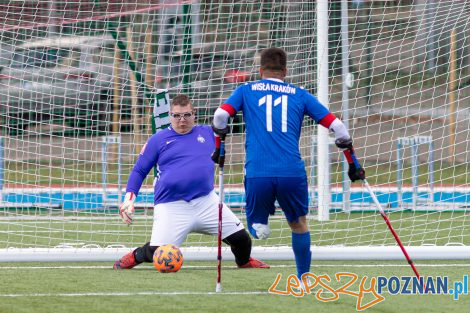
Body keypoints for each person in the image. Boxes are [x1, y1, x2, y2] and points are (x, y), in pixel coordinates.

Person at [212, 48, 365, 280]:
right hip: (291, 172)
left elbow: (220, 116)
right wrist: (352, 162)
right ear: (285, 71)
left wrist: (219, 145)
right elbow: (339, 128)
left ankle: (259, 224)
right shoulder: (300, 94)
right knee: (299, 224)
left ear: (261, 70)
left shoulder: (245, 90)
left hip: (258, 171)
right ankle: (304, 279)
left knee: (254, 222)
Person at [113, 94, 269, 270]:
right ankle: (136, 255)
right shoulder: (158, 139)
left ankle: (244, 262)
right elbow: (139, 170)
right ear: (170, 115)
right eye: (177, 116)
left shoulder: (209, 133)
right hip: (172, 205)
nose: (182, 120)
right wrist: (129, 199)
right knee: (158, 252)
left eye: (187, 115)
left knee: (242, 240)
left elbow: (227, 121)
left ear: (194, 114)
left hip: (206, 201)